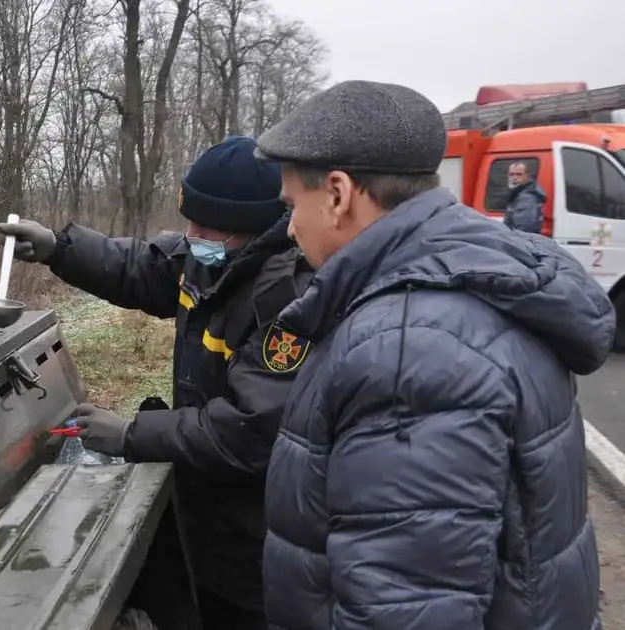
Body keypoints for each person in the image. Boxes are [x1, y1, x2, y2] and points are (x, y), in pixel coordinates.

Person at [255, 79, 611, 629]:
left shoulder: (407, 351)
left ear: (337, 193)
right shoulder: (477, 279)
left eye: (291, 205)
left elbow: (403, 610)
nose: (290, 226)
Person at [0, 136, 314, 629]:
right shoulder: (211, 258)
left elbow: (248, 432)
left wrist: (131, 436)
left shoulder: (284, 302)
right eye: (188, 220)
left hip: (257, 527)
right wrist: (58, 248)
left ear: (249, 229)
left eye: (204, 225)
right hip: (204, 498)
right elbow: (138, 266)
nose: (191, 235)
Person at [503, 160, 547, 233]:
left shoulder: (527, 198)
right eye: (511, 174)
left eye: (519, 174)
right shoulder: (518, 194)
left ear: (527, 176)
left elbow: (524, 229)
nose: (514, 178)